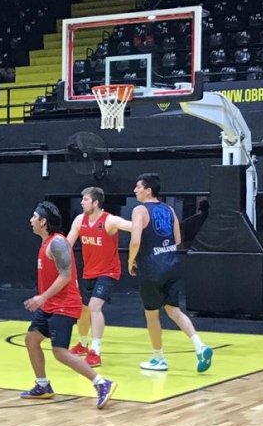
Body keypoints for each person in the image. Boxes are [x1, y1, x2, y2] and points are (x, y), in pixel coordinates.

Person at [21, 201, 117, 410]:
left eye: (34, 216)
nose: (31, 220)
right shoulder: (46, 242)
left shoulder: (58, 243)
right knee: (31, 339)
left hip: (65, 305)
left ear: (43, 221)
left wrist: (41, 297)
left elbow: (65, 276)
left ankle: (102, 383)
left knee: (60, 352)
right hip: (50, 305)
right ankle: (43, 385)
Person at [128, 174, 213, 372]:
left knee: (151, 314)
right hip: (172, 264)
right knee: (174, 309)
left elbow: (135, 241)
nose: (135, 190)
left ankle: (158, 358)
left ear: (148, 190)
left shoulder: (139, 210)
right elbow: (177, 238)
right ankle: (200, 346)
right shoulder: (169, 209)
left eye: (138, 187)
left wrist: (131, 260)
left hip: (152, 267)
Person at [66, 186, 132, 367]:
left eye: (85, 200)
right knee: (83, 310)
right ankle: (82, 344)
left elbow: (130, 226)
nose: (81, 202)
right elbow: (67, 244)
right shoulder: (80, 220)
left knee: (94, 307)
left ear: (95, 202)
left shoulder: (109, 221)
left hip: (108, 272)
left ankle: (95, 352)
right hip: (89, 272)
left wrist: (144, 225)